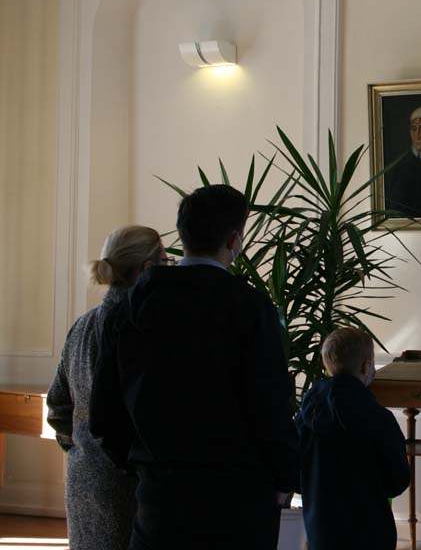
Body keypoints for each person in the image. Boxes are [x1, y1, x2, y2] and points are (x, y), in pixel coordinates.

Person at [89, 184, 298, 550]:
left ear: (181, 235)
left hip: (160, 500)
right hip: (238, 501)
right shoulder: (250, 308)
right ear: (234, 239)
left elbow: (104, 414)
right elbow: (270, 406)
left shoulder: (130, 308)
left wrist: (142, 465)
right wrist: (285, 477)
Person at [46, 226, 169, 550]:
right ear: (148, 269)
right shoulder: (144, 329)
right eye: (166, 263)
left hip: (84, 476)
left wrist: (81, 449)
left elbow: (58, 406)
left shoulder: (82, 326)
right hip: (130, 483)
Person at [297, 327, 410, 550]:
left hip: (321, 531)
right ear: (366, 366)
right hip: (370, 532)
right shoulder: (379, 418)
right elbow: (398, 479)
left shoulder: (306, 416)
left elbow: (294, 469)